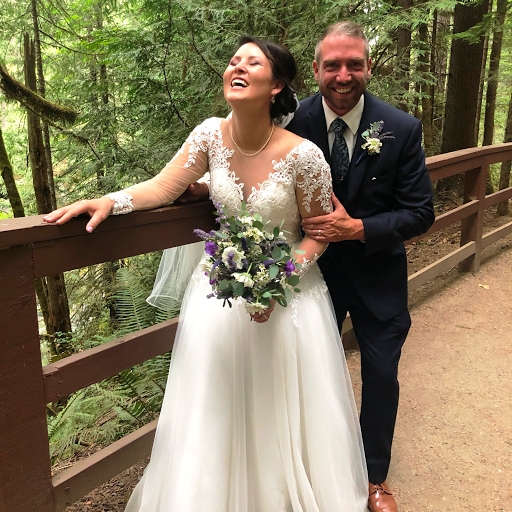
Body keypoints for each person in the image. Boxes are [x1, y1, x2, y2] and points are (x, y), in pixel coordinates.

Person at [44, 37, 368, 511]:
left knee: (278, 408)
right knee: (214, 407)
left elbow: (318, 235)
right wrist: (112, 201)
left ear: (276, 85)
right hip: (218, 295)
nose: (237, 67)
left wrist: (276, 282)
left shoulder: (305, 156)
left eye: (252, 62)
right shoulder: (209, 135)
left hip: (289, 299)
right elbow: (163, 187)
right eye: (233, 61)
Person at [284, 22, 435, 512]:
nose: (343, 75)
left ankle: (374, 478)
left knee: (382, 375)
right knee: (303, 371)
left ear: (369, 67)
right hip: (311, 277)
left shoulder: (401, 128)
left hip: (378, 275)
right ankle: (308, 469)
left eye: (354, 64)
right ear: (316, 70)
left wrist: (358, 228)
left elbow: (420, 213)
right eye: (332, 65)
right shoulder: (289, 122)